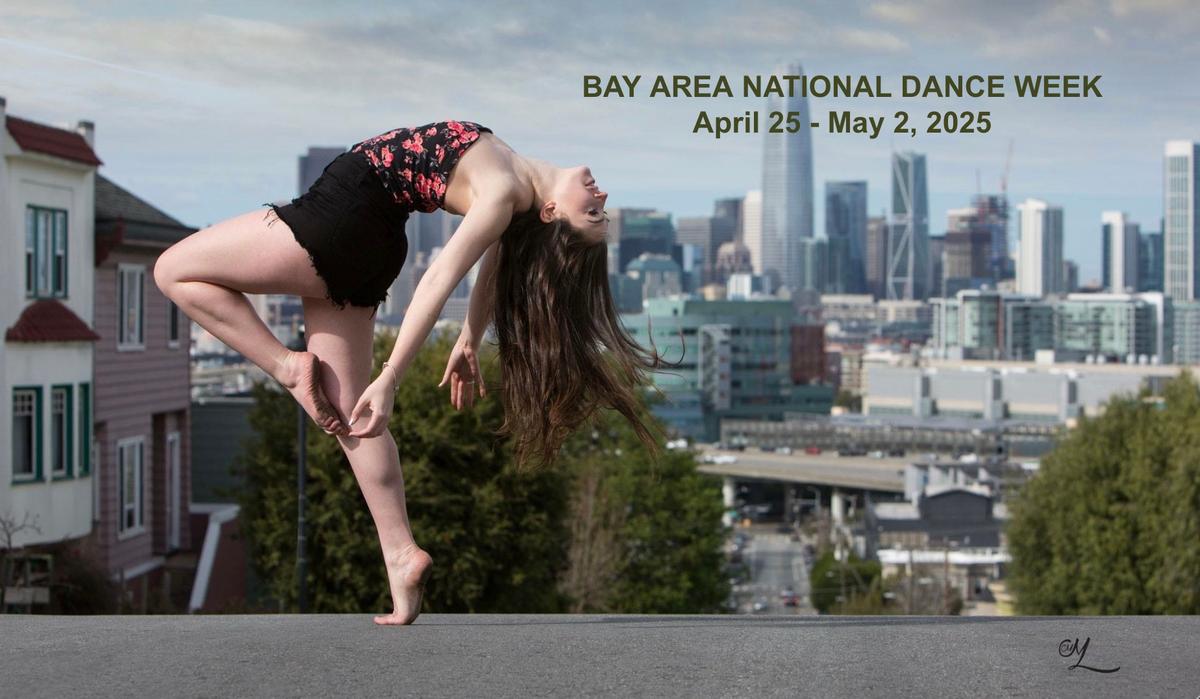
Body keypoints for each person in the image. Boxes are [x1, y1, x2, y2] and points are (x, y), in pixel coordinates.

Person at [154, 120, 675, 626]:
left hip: (341, 218)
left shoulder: (502, 189)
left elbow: (437, 280)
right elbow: (494, 259)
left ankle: (286, 367)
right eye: (601, 214)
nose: (602, 202)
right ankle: (401, 554)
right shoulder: (514, 196)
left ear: (554, 212)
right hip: (372, 250)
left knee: (173, 269)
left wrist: (392, 376)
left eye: (592, 216)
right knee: (353, 418)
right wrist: (470, 336)